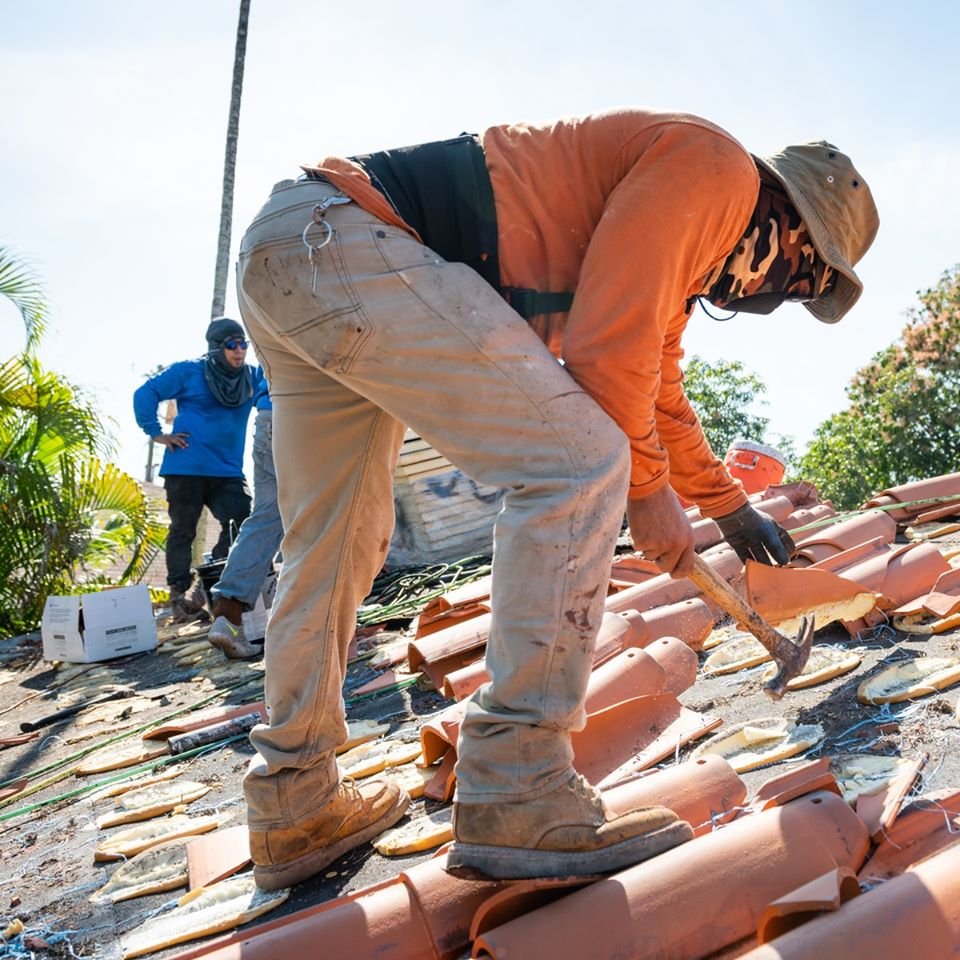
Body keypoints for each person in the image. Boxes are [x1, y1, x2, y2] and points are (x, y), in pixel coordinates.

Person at [234, 107, 879, 890]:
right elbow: (607, 353)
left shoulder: (683, 246)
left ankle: (294, 798)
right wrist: (646, 493)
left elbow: (656, 386)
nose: (780, 292)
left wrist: (727, 507)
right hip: (350, 241)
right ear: (787, 219)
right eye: (805, 274)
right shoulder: (718, 169)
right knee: (579, 462)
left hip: (294, 251)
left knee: (335, 544)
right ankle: (519, 782)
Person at [134, 318, 257, 622]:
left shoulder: (252, 377)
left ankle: (203, 585)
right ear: (216, 348)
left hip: (228, 471)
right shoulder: (189, 371)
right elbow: (145, 393)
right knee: (183, 530)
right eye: (232, 345)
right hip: (186, 468)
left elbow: (279, 394)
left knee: (244, 521)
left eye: (243, 344)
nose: (239, 350)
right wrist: (156, 432)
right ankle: (179, 599)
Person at [208, 375, 283, 659]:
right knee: (324, 515)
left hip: (268, 417)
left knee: (266, 518)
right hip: (304, 413)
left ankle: (228, 616)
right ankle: (314, 622)